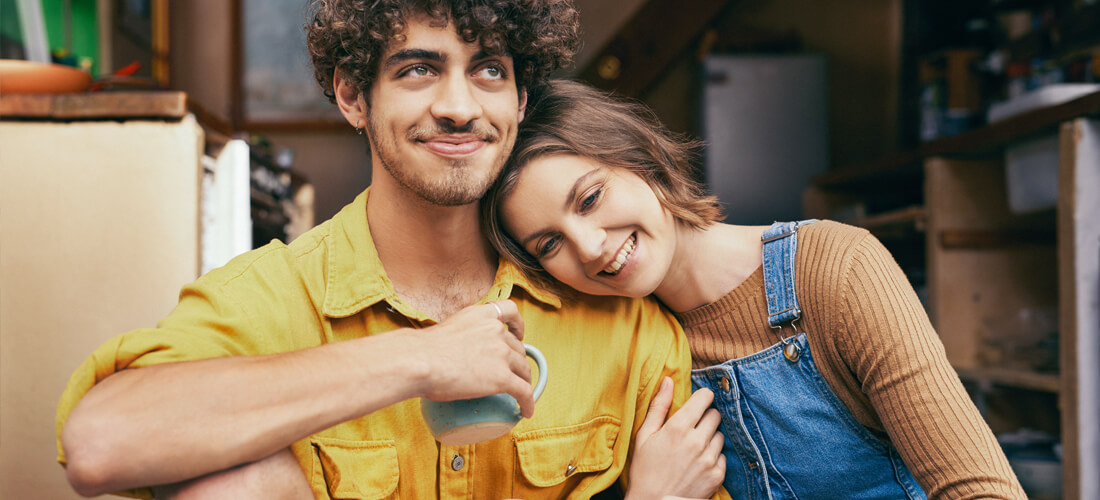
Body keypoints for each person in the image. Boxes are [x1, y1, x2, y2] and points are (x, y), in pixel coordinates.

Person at [55, 2, 726, 499]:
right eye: (418, 70)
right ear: (353, 95)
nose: (460, 106)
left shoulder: (618, 317)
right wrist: (417, 360)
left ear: (520, 100)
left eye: (489, 71)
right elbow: (101, 443)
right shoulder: (274, 295)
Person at [483, 80, 1030, 499]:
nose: (590, 248)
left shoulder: (836, 270)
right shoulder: (624, 346)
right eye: (550, 243)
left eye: (590, 199)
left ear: (640, 159)